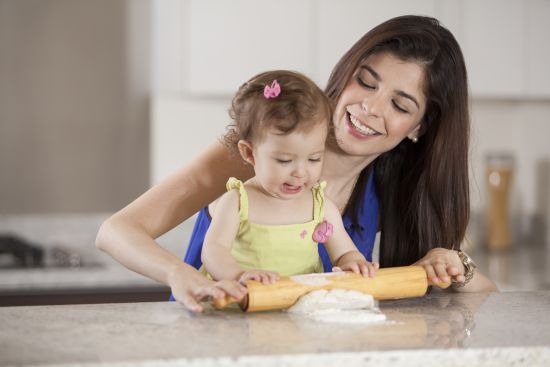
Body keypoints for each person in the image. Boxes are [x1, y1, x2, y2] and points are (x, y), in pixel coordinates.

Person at [96, 15, 497, 313]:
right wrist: (177, 274)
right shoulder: (256, 149)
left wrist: (452, 264)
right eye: (366, 81)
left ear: (419, 126)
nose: (369, 108)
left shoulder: (392, 189)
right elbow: (116, 231)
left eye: (399, 104)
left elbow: (492, 302)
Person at [200, 70, 377, 285]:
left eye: (313, 159)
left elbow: (344, 253)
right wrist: (238, 276)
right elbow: (213, 251)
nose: (300, 173)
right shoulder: (238, 202)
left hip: (296, 310)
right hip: (241, 308)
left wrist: (354, 262)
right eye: (284, 161)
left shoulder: (321, 208)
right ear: (249, 153)